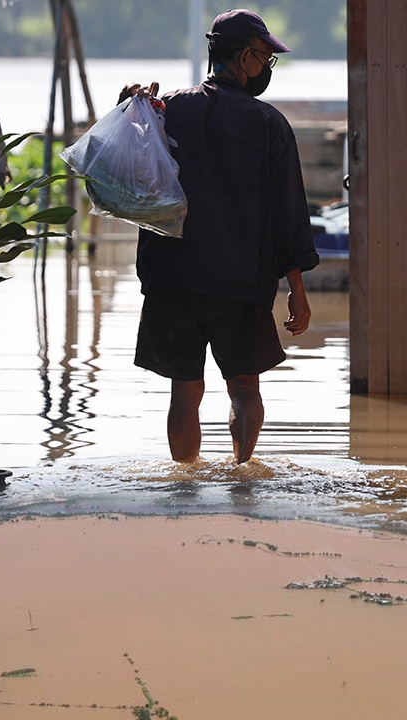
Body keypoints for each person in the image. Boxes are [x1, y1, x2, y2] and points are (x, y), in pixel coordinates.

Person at [122, 9, 319, 466]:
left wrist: (130, 104)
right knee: (245, 388)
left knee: (184, 391)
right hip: (240, 281)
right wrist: (297, 289)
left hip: (173, 277)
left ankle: (185, 484)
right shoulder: (268, 124)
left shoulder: (166, 108)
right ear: (245, 57)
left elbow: (125, 165)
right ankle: (241, 477)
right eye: (265, 58)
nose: (266, 67)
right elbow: (288, 213)